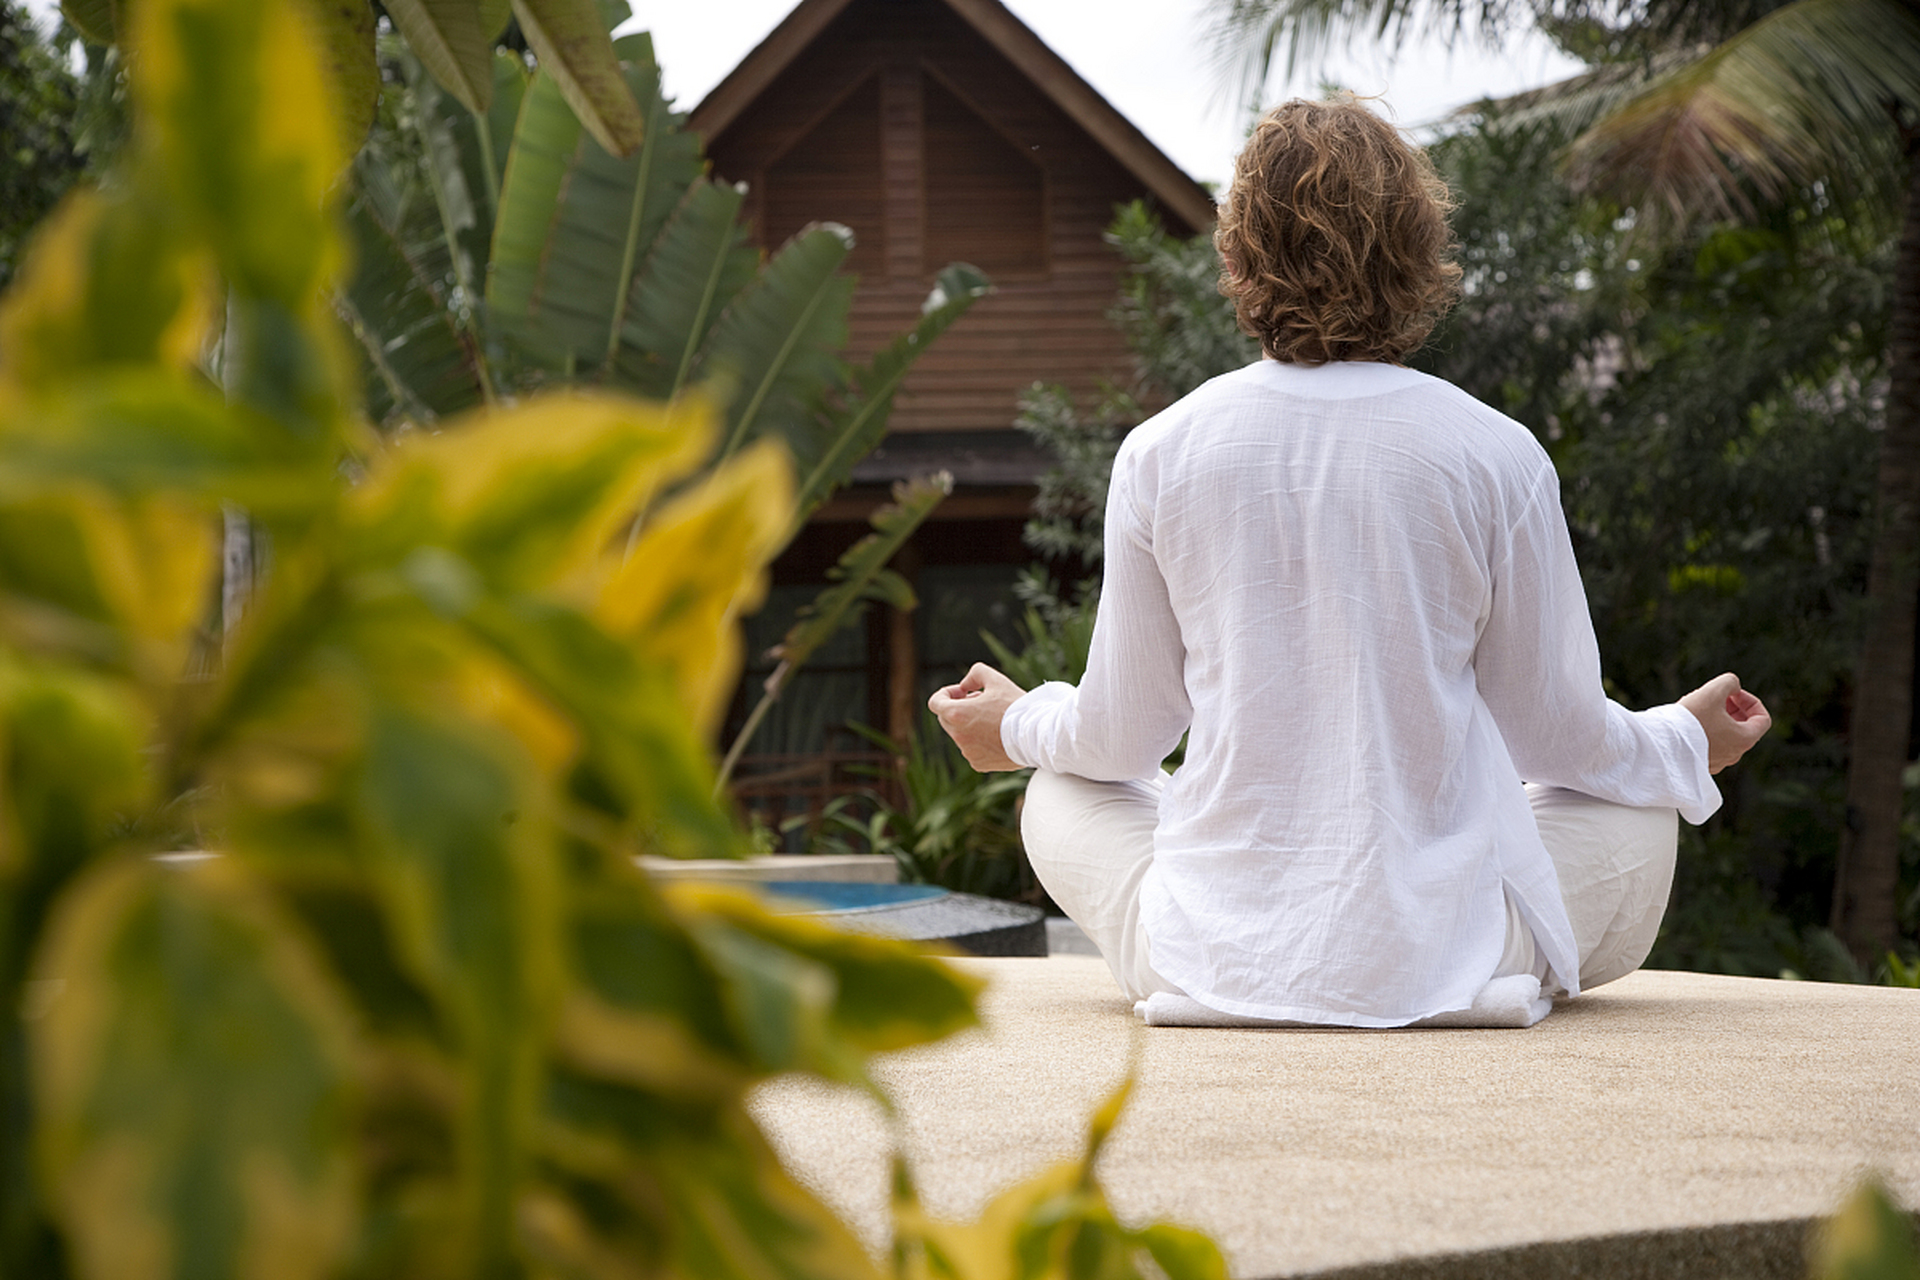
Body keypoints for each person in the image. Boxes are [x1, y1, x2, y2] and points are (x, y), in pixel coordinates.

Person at [927, 96, 1770, 1027]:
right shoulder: (1495, 451)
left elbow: (1122, 742)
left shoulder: (1162, 450)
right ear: (1417, 252)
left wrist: (1017, 723)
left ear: (1238, 256)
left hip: (1210, 953)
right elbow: (1561, 746)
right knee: (1641, 804)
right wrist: (1682, 742)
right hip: (1458, 951)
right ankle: (1456, 955)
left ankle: (1245, 961)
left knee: (1061, 788)